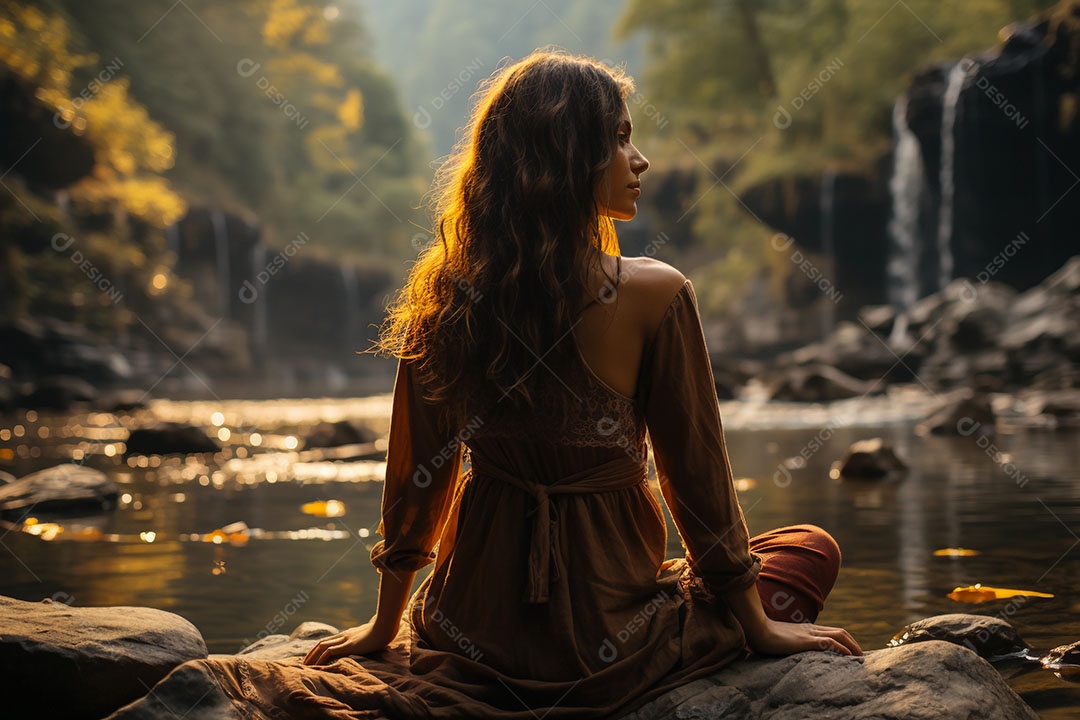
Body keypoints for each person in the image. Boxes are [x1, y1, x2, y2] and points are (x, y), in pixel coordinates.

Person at [109, 50, 859, 720]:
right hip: (611, 637)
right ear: (569, 157)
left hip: (469, 634)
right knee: (808, 547)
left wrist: (386, 626)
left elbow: (416, 479)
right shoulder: (656, 294)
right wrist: (756, 626)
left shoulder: (450, 291)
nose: (642, 159)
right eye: (621, 138)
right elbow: (697, 480)